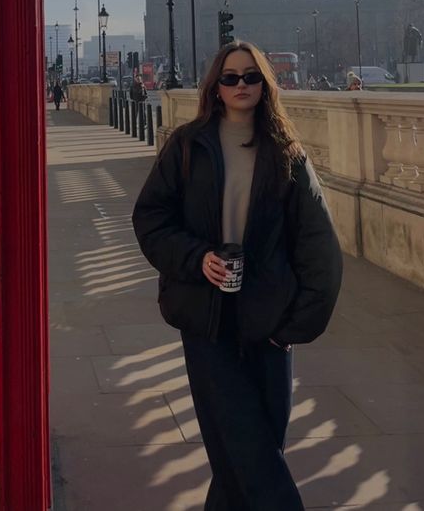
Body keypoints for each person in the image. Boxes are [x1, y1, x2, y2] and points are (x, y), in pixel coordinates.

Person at [132, 41, 343, 511]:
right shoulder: (188, 145)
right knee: (250, 456)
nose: (241, 84)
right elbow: (150, 217)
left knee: (251, 452)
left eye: (251, 76)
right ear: (216, 86)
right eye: (231, 77)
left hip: (267, 322)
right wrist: (196, 257)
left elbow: (320, 247)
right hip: (207, 321)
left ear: (265, 84)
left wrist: (294, 327)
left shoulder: (287, 153)